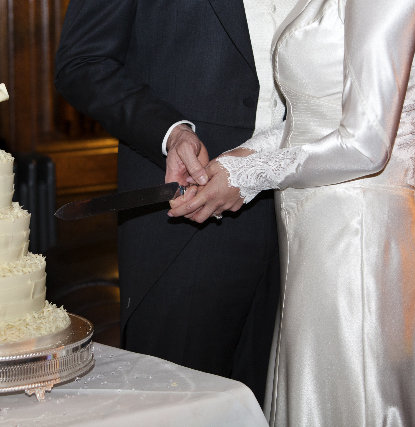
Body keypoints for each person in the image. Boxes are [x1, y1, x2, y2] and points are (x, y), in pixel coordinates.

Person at [169, 0, 415, 425]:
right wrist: (230, 166)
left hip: (356, 237)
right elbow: (310, 121)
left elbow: (366, 145)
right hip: (314, 232)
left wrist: (251, 175)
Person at [54, 0, 297, 405]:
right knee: (174, 405)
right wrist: (172, 134)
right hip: (187, 212)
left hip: (304, 211)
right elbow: (84, 61)